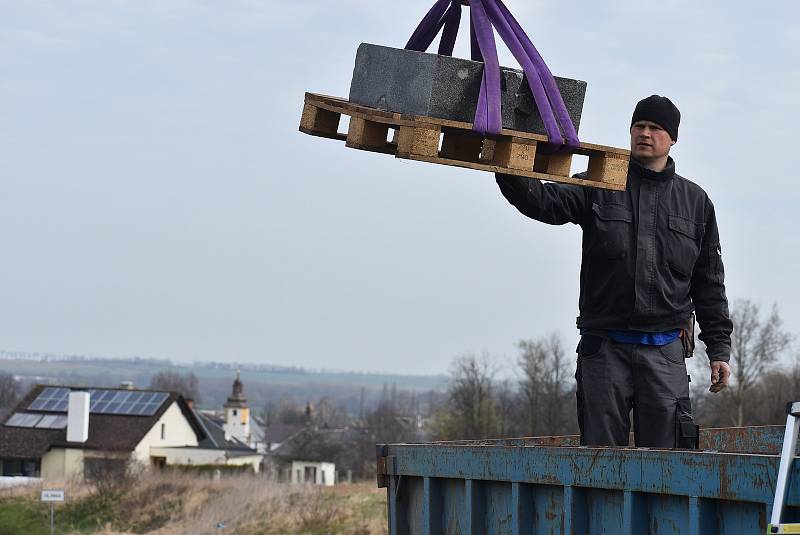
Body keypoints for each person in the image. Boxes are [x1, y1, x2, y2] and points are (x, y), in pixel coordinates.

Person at [495, 95, 732, 448]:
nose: (645, 133)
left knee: (666, 464)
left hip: (665, 352)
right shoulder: (599, 183)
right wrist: (506, 162)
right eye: (639, 126)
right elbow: (543, 202)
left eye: (655, 128)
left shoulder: (696, 202)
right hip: (604, 350)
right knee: (601, 464)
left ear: (672, 138)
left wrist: (718, 350)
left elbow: (709, 282)